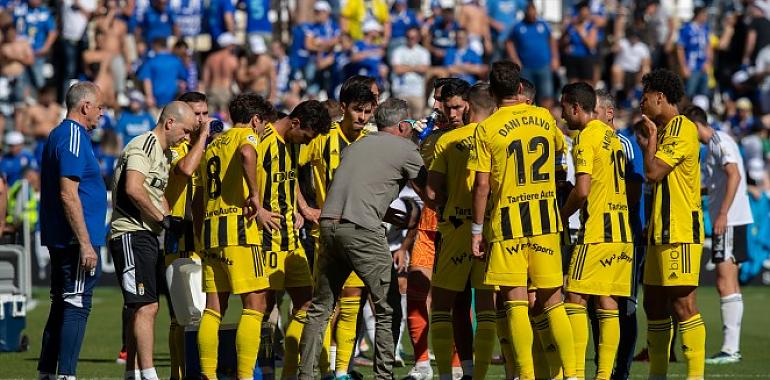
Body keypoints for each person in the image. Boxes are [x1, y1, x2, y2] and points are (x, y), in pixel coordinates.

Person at [298, 98, 426, 380]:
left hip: (329, 225)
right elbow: (429, 193)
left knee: (320, 309)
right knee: (388, 306)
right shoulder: (406, 147)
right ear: (403, 126)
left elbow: (358, 187)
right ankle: (383, 376)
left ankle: (305, 375)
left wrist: (385, 210)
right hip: (362, 230)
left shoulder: (356, 145)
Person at [468, 61, 576, 380]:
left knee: (514, 303)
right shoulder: (544, 118)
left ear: (492, 92)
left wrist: (477, 230)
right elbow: (560, 161)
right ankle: (573, 374)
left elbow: (482, 185)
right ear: (520, 89)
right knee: (553, 302)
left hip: (508, 225)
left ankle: (526, 375)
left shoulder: (486, 129)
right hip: (545, 223)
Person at [109, 101, 196, 380]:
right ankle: (149, 374)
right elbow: (133, 189)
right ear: (169, 123)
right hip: (131, 232)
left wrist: (172, 220)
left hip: (146, 235)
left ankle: (133, 372)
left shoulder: (164, 153)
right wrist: (163, 219)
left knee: (142, 307)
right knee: (147, 306)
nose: (186, 138)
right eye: (185, 131)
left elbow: (158, 194)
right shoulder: (143, 145)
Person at [195, 93, 277, 380]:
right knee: (256, 306)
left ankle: (207, 373)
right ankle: (244, 375)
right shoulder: (247, 136)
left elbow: (201, 192)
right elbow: (246, 153)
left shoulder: (213, 144)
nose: (261, 129)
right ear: (255, 119)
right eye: (262, 124)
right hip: (239, 230)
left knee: (213, 308)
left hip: (211, 230)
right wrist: (255, 195)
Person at [298, 82, 377, 378]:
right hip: (327, 232)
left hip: (361, 230)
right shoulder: (322, 137)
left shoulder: (371, 138)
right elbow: (291, 167)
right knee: (324, 305)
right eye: (358, 110)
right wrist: (304, 208)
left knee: (352, 301)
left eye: (368, 112)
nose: (363, 117)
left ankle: (342, 370)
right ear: (343, 107)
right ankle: (319, 368)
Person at [559, 82, 634, 380]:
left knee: (574, 297)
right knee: (608, 302)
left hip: (598, 232)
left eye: (564, 109)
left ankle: (574, 374)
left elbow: (583, 190)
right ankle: (604, 376)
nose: (563, 116)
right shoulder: (612, 137)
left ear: (576, 107)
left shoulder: (586, 137)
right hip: (622, 232)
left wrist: (561, 216)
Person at [255, 100, 331, 378]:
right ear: (295, 123)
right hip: (267, 238)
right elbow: (248, 183)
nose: (307, 142)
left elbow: (290, 180)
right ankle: (262, 372)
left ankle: (289, 373)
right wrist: (259, 210)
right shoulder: (263, 143)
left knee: (306, 303)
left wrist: (302, 207)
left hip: (291, 237)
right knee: (263, 307)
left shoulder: (291, 143)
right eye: (307, 136)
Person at [427, 82, 497, 379]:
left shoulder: (448, 140)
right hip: (489, 231)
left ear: (468, 105)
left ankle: (447, 374)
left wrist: (448, 201)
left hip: (455, 228)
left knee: (443, 305)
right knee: (486, 307)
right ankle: (477, 375)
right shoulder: (497, 138)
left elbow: (431, 193)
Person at [37, 82, 107, 380]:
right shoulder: (73, 136)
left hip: (63, 235)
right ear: (86, 106)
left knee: (62, 302)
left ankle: (47, 372)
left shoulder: (61, 135)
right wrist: (85, 242)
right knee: (77, 302)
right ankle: (66, 374)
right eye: (100, 107)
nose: (102, 113)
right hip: (74, 239)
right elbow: (68, 193)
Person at [639, 69, 705, 380]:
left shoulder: (681, 128)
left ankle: (695, 376)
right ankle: (658, 374)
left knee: (682, 303)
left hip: (679, 229)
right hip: (659, 230)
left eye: (645, 97)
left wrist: (650, 138)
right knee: (653, 303)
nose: (641, 103)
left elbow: (653, 173)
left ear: (660, 98)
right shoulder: (666, 131)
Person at [684, 105, 752, 365]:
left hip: (730, 221)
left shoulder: (719, 141)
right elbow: (718, 182)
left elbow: (733, 174)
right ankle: (731, 349)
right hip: (733, 219)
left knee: (724, 281)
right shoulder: (713, 144)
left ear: (693, 124)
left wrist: (722, 214)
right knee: (729, 282)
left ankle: (729, 349)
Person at [162, 91, 211, 380]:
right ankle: (179, 374)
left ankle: (200, 370)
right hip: (179, 233)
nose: (202, 120)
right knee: (183, 314)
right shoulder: (176, 147)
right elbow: (185, 170)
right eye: (196, 114)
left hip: (205, 236)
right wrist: (204, 139)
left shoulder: (206, 146)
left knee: (204, 311)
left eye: (205, 113)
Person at [506, 1, 559, 109]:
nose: (531, 13)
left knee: (546, 96)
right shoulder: (518, 26)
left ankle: (546, 118)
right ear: (525, 12)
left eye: (533, 11)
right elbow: (509, 42)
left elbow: (552, 40)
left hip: (544, 66)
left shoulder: (543, 25)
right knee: (526, 96)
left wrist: (555, 58)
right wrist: (514, 59)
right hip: (526, 68)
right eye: (529, 11)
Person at [137, 38, 188, 110]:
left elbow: (146, 79)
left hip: (156, 102)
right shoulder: (176, 61)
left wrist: (149, 96)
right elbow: (184, 78)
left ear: (155, 47)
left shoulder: (151, 62)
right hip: (173, 101)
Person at [390, 27, 430, 118]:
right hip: (401, 91)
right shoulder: (398, 51)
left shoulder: (423, 52)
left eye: (413, 37)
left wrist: (405, 67)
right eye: (409, 37)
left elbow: (425, 69)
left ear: (418, 38)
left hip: (418, 91)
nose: (411, 39)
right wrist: (416, 67)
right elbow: (397, 69)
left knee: (419, 121)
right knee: (402, 120)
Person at [677, 6, 712, 98]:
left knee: (703, 95)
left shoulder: (705, 29)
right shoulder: (687, 29)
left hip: (703, 66)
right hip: (692, 67)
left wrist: (708, 62)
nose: (706, 17)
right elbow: (680, 48)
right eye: (704, 15)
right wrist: (684, 67)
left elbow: (708, 46)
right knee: (689, 94)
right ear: (698, 15)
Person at [201, 32, 239, 114]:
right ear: (229, 45)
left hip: (212, 90)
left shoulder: (211, 58)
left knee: (210, 119)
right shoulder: (232, 59)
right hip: (226, 91)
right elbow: (238, 78)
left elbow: (205, 79)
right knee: (224, 119)